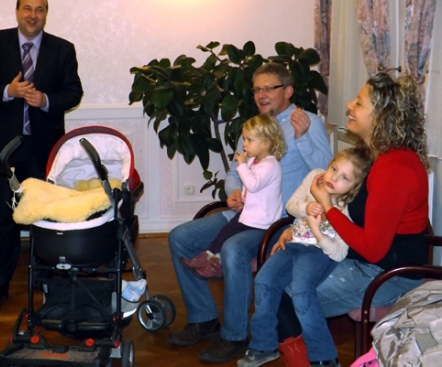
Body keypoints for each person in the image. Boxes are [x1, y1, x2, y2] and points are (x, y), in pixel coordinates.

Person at [168, 62, 333, 364]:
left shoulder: (307, 121)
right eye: (257, 89)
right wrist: (233, 191)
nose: (261, 95)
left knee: (234, 249)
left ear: (288, 90)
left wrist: (303, 138)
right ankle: (203, 318)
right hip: (244, 214)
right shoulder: (254, 126)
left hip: (279, 220)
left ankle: (234, 336)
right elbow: (234, 171)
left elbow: (327, 173)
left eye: (269, 88)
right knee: (181, 237)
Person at [273, 71, 430, 367]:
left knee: (279, 293)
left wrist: (325, 205)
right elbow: (349, 216)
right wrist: (299, 233)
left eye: (359, 103)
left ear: (381, 116)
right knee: (274, 277)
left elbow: (373, 249)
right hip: (359, 259)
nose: (349, 105)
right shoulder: (371, 155)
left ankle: (320, 362)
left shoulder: (395, 167)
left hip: (387, 274)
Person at [0, 0, 84, 304]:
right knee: (4, 218)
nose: (33, 15)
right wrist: (8, 90)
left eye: (39, 9)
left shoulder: (63, 49)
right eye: (27, 8)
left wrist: (45, 99)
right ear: (17, 11)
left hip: (45, 149)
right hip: (6, 149)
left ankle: (46, 282)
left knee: (45, 218)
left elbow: (73, 92)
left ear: (45, 14)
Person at [237, 148, 371, 367]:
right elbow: (291, 205)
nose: (333, 178)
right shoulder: (315, 177)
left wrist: (318, 230)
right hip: (293, 244)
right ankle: (264, 345)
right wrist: (306, 207)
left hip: (318, 252)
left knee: (301, 291)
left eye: (344, 178)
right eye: (334, 168)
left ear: (354, 186)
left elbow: (339, 253)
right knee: (263, 281)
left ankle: (324, 357)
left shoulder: (347, 208)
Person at [181, 114, 286, 280]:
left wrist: (242, 165)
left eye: (249, 140)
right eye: (244, 139)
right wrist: (242, 199)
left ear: (266, 143)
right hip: (250, 214)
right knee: (225, 232)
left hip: (262, 221)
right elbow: (250, 190)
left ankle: (216, 264)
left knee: (229, 238)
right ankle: (207, 256)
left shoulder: (270, 165)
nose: (244, 144)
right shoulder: (255, 161)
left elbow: (253, 184)